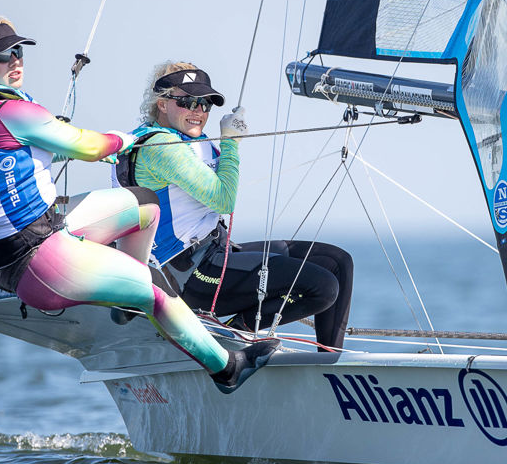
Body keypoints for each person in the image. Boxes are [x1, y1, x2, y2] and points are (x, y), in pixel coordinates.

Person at [0, 16, 277, 393]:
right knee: (154, 284)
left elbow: (16, 155)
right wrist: (121, 141)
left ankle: (127, 302)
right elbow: (88, 147)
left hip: (9, 248)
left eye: (17, 51)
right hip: (37, 261)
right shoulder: (7, 109)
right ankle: (227, 368)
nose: (14, 61)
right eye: (1, 56)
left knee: (145, 205)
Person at [114, 61, 353, 351]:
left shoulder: (186, 139)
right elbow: (224, 200)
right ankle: (231, 337)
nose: (198, 111)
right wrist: (230, 143)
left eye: (205, 104)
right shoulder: (161, 147)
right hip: (185, 275)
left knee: (337, 262)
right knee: (322, 287)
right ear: (162, 104)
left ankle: (329, 361)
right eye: (188, 102)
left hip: (213, 255)